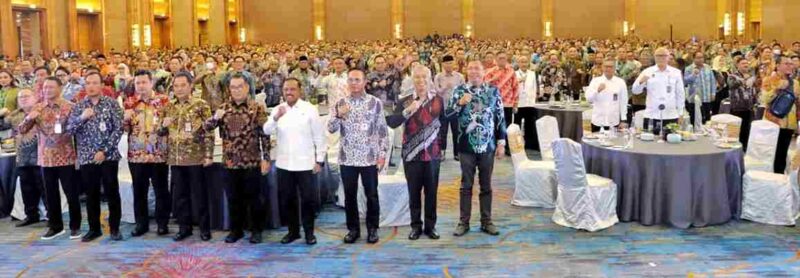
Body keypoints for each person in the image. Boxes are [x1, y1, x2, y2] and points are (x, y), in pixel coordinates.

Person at [204, 73, 270, 244]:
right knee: (233, 199)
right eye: (233, 87)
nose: (237, 90)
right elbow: (206, 128)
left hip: (251, 161)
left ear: (247, 87)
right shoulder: (223, 108)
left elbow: (265, 135)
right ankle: (236, 231)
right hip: (230, 162)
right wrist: (215, 117)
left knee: (255, 199)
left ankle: (256, 231)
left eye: (240, 86)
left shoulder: (257, 108)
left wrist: (266, 158)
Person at [327, 69, 390, 244]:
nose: (354, 83)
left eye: (357, 80)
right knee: (350, 195)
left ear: (364, 82)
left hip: (369, 157)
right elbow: (331, 128)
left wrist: (382, 155)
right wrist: (339, 115)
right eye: (351, 80)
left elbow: (382, 130)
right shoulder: (340, 103)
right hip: (347, 157)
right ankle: (353, 229)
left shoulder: (375, 103)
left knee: (372, 195)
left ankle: (372, 229)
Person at [446, 60, 506, 237]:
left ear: (483, 71)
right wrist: (460, 103)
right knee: (466, 185)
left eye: (477, 69)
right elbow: (447, 115)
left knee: (486, 185)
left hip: (488, 146)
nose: (474, 72)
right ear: (466, 72)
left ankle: (486, 221)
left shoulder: (493, 91)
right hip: (466, 145)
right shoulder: (459, 91)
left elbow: (500, 117)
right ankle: (463, 222)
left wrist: (501, 142)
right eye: (470, 69)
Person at [18, 77, 82, 240]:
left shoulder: (70, 107)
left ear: (60, 88)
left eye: (51, 87)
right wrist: (29, 117)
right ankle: (55, 226)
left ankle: (75, 226)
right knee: (50, 194)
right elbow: (22, 130)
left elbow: (78, 131)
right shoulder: (38, 107)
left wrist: (78, 156)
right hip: (46, 159)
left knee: (71, 194)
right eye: (45, 87)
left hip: (66, 157)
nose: (47, 90)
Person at [262, 78, 325, 245]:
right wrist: (276, 117)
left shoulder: (310, 109)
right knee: (287, 200)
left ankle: (309, 233)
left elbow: (319, 136)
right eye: (286, 89)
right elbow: (266, 130)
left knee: (308, 200)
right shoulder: (278, 109)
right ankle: (293, 232)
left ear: (299, 91)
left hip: (305, 164)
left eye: (292, 89)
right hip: (284, 163)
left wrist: (320, 159)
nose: (289, 92)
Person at [387, 65, 444, 240]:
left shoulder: (438, 100)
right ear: (412, 80)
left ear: (430, 79)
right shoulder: (405, 100)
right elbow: (392, 123)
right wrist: (407, 111)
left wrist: (442, 147)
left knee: (431, 192)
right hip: (411, 155)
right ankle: (415, 226)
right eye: (417, 77)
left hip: (432, 154)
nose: (421, 81)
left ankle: (430, 226)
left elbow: (444, 123)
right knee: (414, 192)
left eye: (424, 77)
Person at [66, 72, 124, 242]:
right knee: (91, 194)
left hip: (108, 156)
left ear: (101, 85)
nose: (91, 86)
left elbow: (118, 129)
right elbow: (69, 129)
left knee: (112, 193)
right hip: (87, 157)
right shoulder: (79, 106)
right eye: (88, 83)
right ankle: (94, 229)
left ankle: (115, 228)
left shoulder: (111, 104)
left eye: (94, 83)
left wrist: (104, 151)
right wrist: (82, 118)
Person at [158, 72, 214, 241]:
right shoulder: (168, 106)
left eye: (183, 85)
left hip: (196, 158)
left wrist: (208, 155)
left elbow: (209, 131)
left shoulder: (201, 105)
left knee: (200, 195)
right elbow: (160, 132)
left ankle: (204, 229)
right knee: (180, 196)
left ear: (190, 86)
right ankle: (184, 228)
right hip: (176, 158)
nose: (179, 89)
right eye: (176, 86)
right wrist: (163, 126)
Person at [124, 70, 172, 237]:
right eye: (138, 83)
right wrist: (124, 119)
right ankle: (141, 224)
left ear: (151, 83)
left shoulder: (164, 101)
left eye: (144, 82)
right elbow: (125, 129)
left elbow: (170, 125)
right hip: (136, 155)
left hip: (158, 154)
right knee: (139, 191)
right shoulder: (129, 102)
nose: (141, 86)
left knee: (161, 190)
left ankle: (162, 224)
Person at [0, 89, 42, 227]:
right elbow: (2, 126)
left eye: (26, 96)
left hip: (40, 156)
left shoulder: (42, 111)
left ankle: (52, 216)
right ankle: (31, 216)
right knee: (27, 189)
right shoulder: (14, 115)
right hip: (22, 157)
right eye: (20, 97)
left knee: (44, 188)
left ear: (34, 97)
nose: (23, 98)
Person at [760, 54, 800, 174]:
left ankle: (779, 177)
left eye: (791, 64)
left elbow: (797, 104)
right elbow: (764, 99)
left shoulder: (795, 83)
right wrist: (777, 88)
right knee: (770, 153)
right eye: (786, 63)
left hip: (789, 123)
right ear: (777, 65)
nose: (790, 66)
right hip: (773, 122)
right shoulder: (768, 80)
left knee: (782, 154)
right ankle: (768, 178)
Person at [632, 47, 686, 135]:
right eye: (658, 56)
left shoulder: (676, 72)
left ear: (668, 57)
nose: (661, 58)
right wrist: (641, 82)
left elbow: (680, 94)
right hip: (651, 115)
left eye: (664, 56)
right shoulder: (647, 71)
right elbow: (635, 91)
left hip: (670, 114)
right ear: (654, 57)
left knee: (670, 140)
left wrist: (680, 113)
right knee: (649, 141)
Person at [483, 51, 518, 155]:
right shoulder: (490, 71)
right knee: (493, 125)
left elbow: (515, 87)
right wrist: (493, 79)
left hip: (508, 103)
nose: (502, 60)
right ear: (496, 59)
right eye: (500, 58)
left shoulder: (511, 71)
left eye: (504, 58)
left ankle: (506, 147)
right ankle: (493, 146)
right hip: (493, 104)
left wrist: (515, 103)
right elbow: (484, 86)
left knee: (506, 126)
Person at [434, 55, 465, 160]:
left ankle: (457, 153)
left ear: (454, 63)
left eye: (451, 63)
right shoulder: (438, 77)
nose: (449, 65)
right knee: (442, 131)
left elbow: (463, 91)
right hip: (442, 108)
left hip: (456, 108)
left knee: (457, 131)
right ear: (442, 64)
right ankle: (442, 152)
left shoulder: (459, 76)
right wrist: (445, 87)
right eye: (446, 63)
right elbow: (436, 92)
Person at [586, 58, 629, 132]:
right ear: (602, 67)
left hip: (614, 122)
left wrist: (623, 120)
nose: (608, 69)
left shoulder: (620, 82)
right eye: (606, 66)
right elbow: (588, 99)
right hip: (598, 121)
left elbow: (623, 102)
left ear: (615, 68)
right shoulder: (595, 81)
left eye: (611, 67)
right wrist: (597, 91)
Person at [727, 56, 758, 150]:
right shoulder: (732, 76)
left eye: (747, 63)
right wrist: (743, 80)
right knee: (736, 130)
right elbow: (731, 85)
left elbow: (754, 90)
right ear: (738, 65)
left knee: (746, 129)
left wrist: (755, 102)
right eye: (743, 63)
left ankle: (744, 148)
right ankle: (735, 149)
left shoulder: (751, 76)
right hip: (737, 107)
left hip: (749, 107)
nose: (746, 65)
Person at [684, 51, 717, 126]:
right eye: (698, 58)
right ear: (693, 58)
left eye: (702, 57)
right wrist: (693, 75)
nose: (700, 59)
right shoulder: (689, 69)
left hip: (706, 98)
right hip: (694, 99)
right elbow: (685, 81)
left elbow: (712, 81)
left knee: (707, 120)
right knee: (695, 120)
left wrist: (713, 93)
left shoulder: (708, 67)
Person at [514, 55, 539, 149]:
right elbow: (512, 87)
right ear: (518, 63)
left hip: (529, 103)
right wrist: (519, 81)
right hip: (518, 103)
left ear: (528, 63)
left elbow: (534, 88)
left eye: (525, 62)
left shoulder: (532, 73)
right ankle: (516, 144)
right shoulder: (514, 74)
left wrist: (533, 101)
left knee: (530, 125)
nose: (524, 64)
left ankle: (529, 144)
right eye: (521, 62)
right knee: (517, 124)